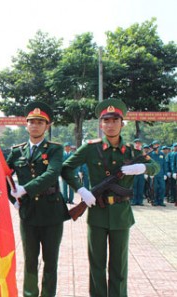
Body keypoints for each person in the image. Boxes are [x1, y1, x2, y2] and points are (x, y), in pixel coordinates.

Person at [61, 99, 159, 297]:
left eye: (115, 120)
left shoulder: (132, 151)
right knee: (96, 265)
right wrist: (82, 191)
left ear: (122, 124)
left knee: (119, 266)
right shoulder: (90, 148)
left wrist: (142, 168)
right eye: (106, 120)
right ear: (100, 124)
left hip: (121, 215)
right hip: (97, 212)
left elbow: (155, 167)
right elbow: (66, 168)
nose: (111, 124)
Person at [7, 102, 70, 297]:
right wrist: (14, 200)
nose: (35, 126)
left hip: (52, 212)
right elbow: (2, 175)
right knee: (30, 261)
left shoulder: (54, 150)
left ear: (47, 126)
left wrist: (25, 189)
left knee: (51, 262)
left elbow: (52, 173)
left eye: (39, 122)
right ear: (26, 125)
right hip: (28, 213)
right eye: (31, 122)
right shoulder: (17, 151)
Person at [149, 140, 166, 206]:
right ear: (153, 146)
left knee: (162, 188)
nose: (156, 146)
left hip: (161, 174)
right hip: (154, 174)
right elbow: (148, 164)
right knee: (154, 188)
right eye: (155, 145)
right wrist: (150, 173)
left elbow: (164, 164)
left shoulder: (162, 154)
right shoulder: (150, 154)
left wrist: (165, 174)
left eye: (157, 145)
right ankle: (154, 201)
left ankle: (161, 201)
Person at [131, 139, 146, 206]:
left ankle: (140, 201)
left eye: (139, 143)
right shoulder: (132, 152)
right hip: (134, 172)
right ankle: (133, 201)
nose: (138, 144)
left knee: (140, 186)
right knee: (134, 187)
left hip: (141, 172)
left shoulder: (142, 152)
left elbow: (145, 162)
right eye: (136, 143)